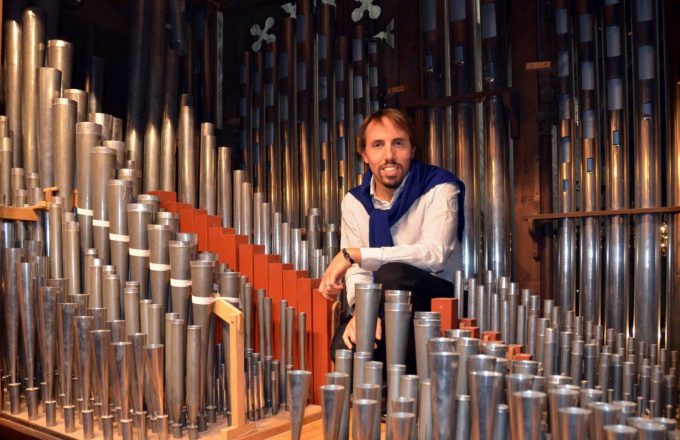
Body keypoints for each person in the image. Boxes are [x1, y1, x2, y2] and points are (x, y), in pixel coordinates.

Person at [318, 108, 465, 372]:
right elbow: (357, 273)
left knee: (393, 274)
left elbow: (434, 254)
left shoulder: (440, 187)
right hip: (382, 300)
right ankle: (388, 395)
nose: (389, 155)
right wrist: (363, 310)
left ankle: (412, 387)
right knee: (343, 351)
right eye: (378, 145)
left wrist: (358, 254)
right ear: (364, 155)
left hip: (434, 299)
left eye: (398, 143)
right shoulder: (354, 202)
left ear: (412, 149)